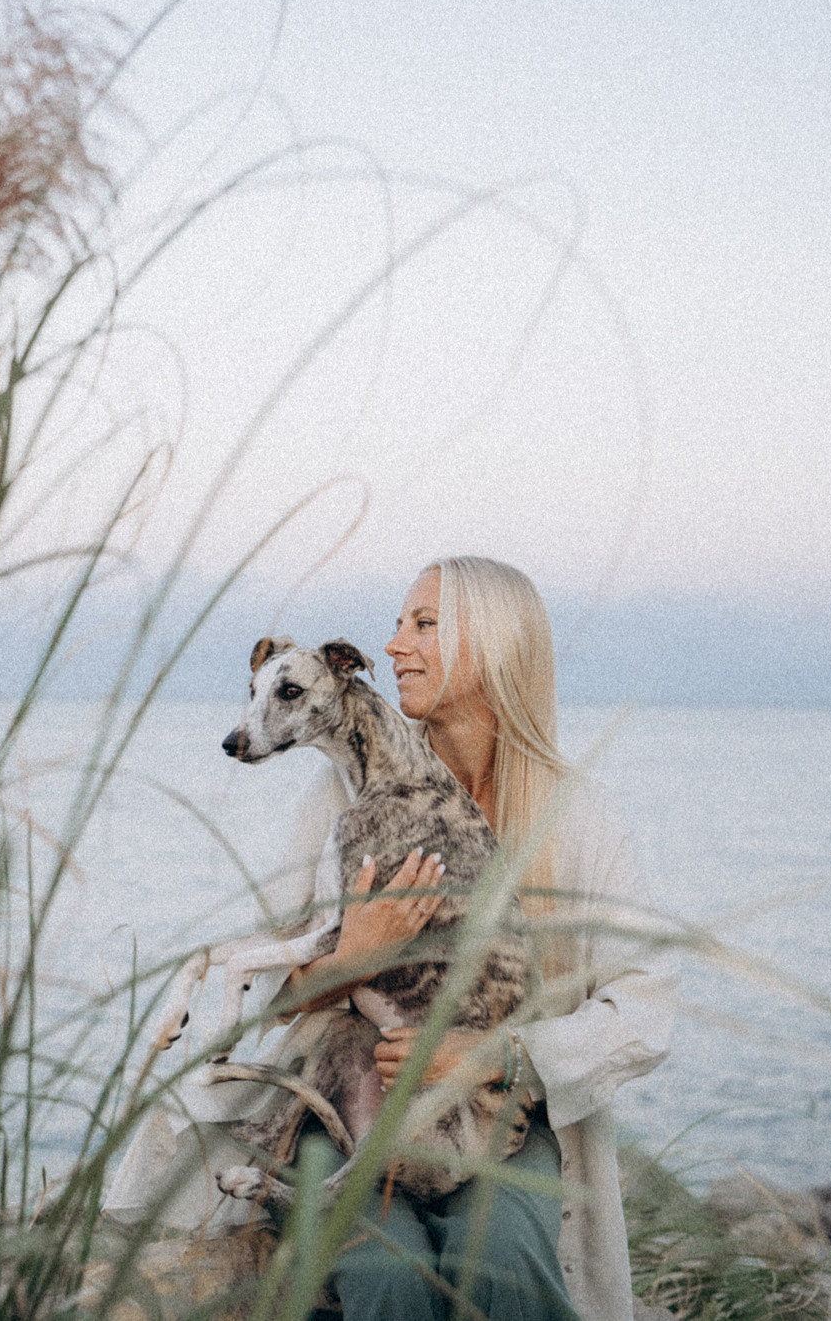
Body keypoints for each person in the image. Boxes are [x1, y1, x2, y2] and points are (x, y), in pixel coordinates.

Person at [276, 556, 677, 1321]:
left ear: (494, 645)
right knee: (389, 1279)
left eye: (423, 623)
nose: (393, 646)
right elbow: (264, 998)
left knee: (502, 1266)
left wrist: (505, 1056)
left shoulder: (577, 814)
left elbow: (646, 1006)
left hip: (499, 1113)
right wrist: (354, 956)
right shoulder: (339, 796)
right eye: (398, 624)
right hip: (350, 1102)